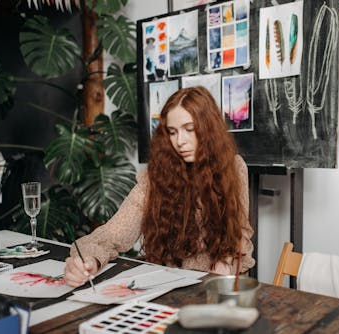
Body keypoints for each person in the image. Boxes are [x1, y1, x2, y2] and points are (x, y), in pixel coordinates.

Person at [64, 86, 255, 287]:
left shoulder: (233, 167)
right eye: (172, 132)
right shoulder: (155, 177)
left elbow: (240, 233)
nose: (180, 141)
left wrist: (225, 263)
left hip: (216, 287)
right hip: (167, 286)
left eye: (190, 129)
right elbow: (115, 232)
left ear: (209, 128)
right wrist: (88, 260)